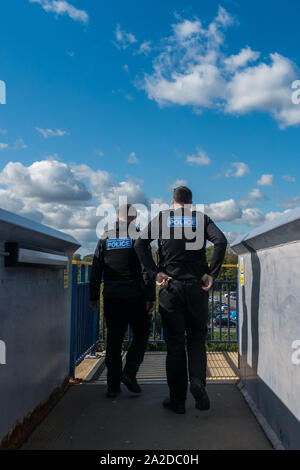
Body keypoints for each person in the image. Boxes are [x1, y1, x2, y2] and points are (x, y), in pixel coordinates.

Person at [134, 186, 227, 414]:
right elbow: (221, 242)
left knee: (175, 345)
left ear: (172, 201)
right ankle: (197, 380)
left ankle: (177, 401)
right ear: (191, 201)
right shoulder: (201, 218)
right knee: (196, 339)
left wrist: (155, 272)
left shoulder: (163, 218)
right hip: (197, 288)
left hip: (170, 287)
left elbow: (139, 244)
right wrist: (211, 273)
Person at [89, 204, 155, 398]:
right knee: (142, 333)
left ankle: (112, 387)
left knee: (114, 340)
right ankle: (130, 372)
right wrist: (150, 297)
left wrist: (93, 296)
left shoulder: (105, 237)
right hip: (135, 295)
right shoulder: (138, 237)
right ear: (133, 218)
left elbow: (96, 269)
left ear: (117, 218)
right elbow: (147, 269)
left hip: (111, 296)